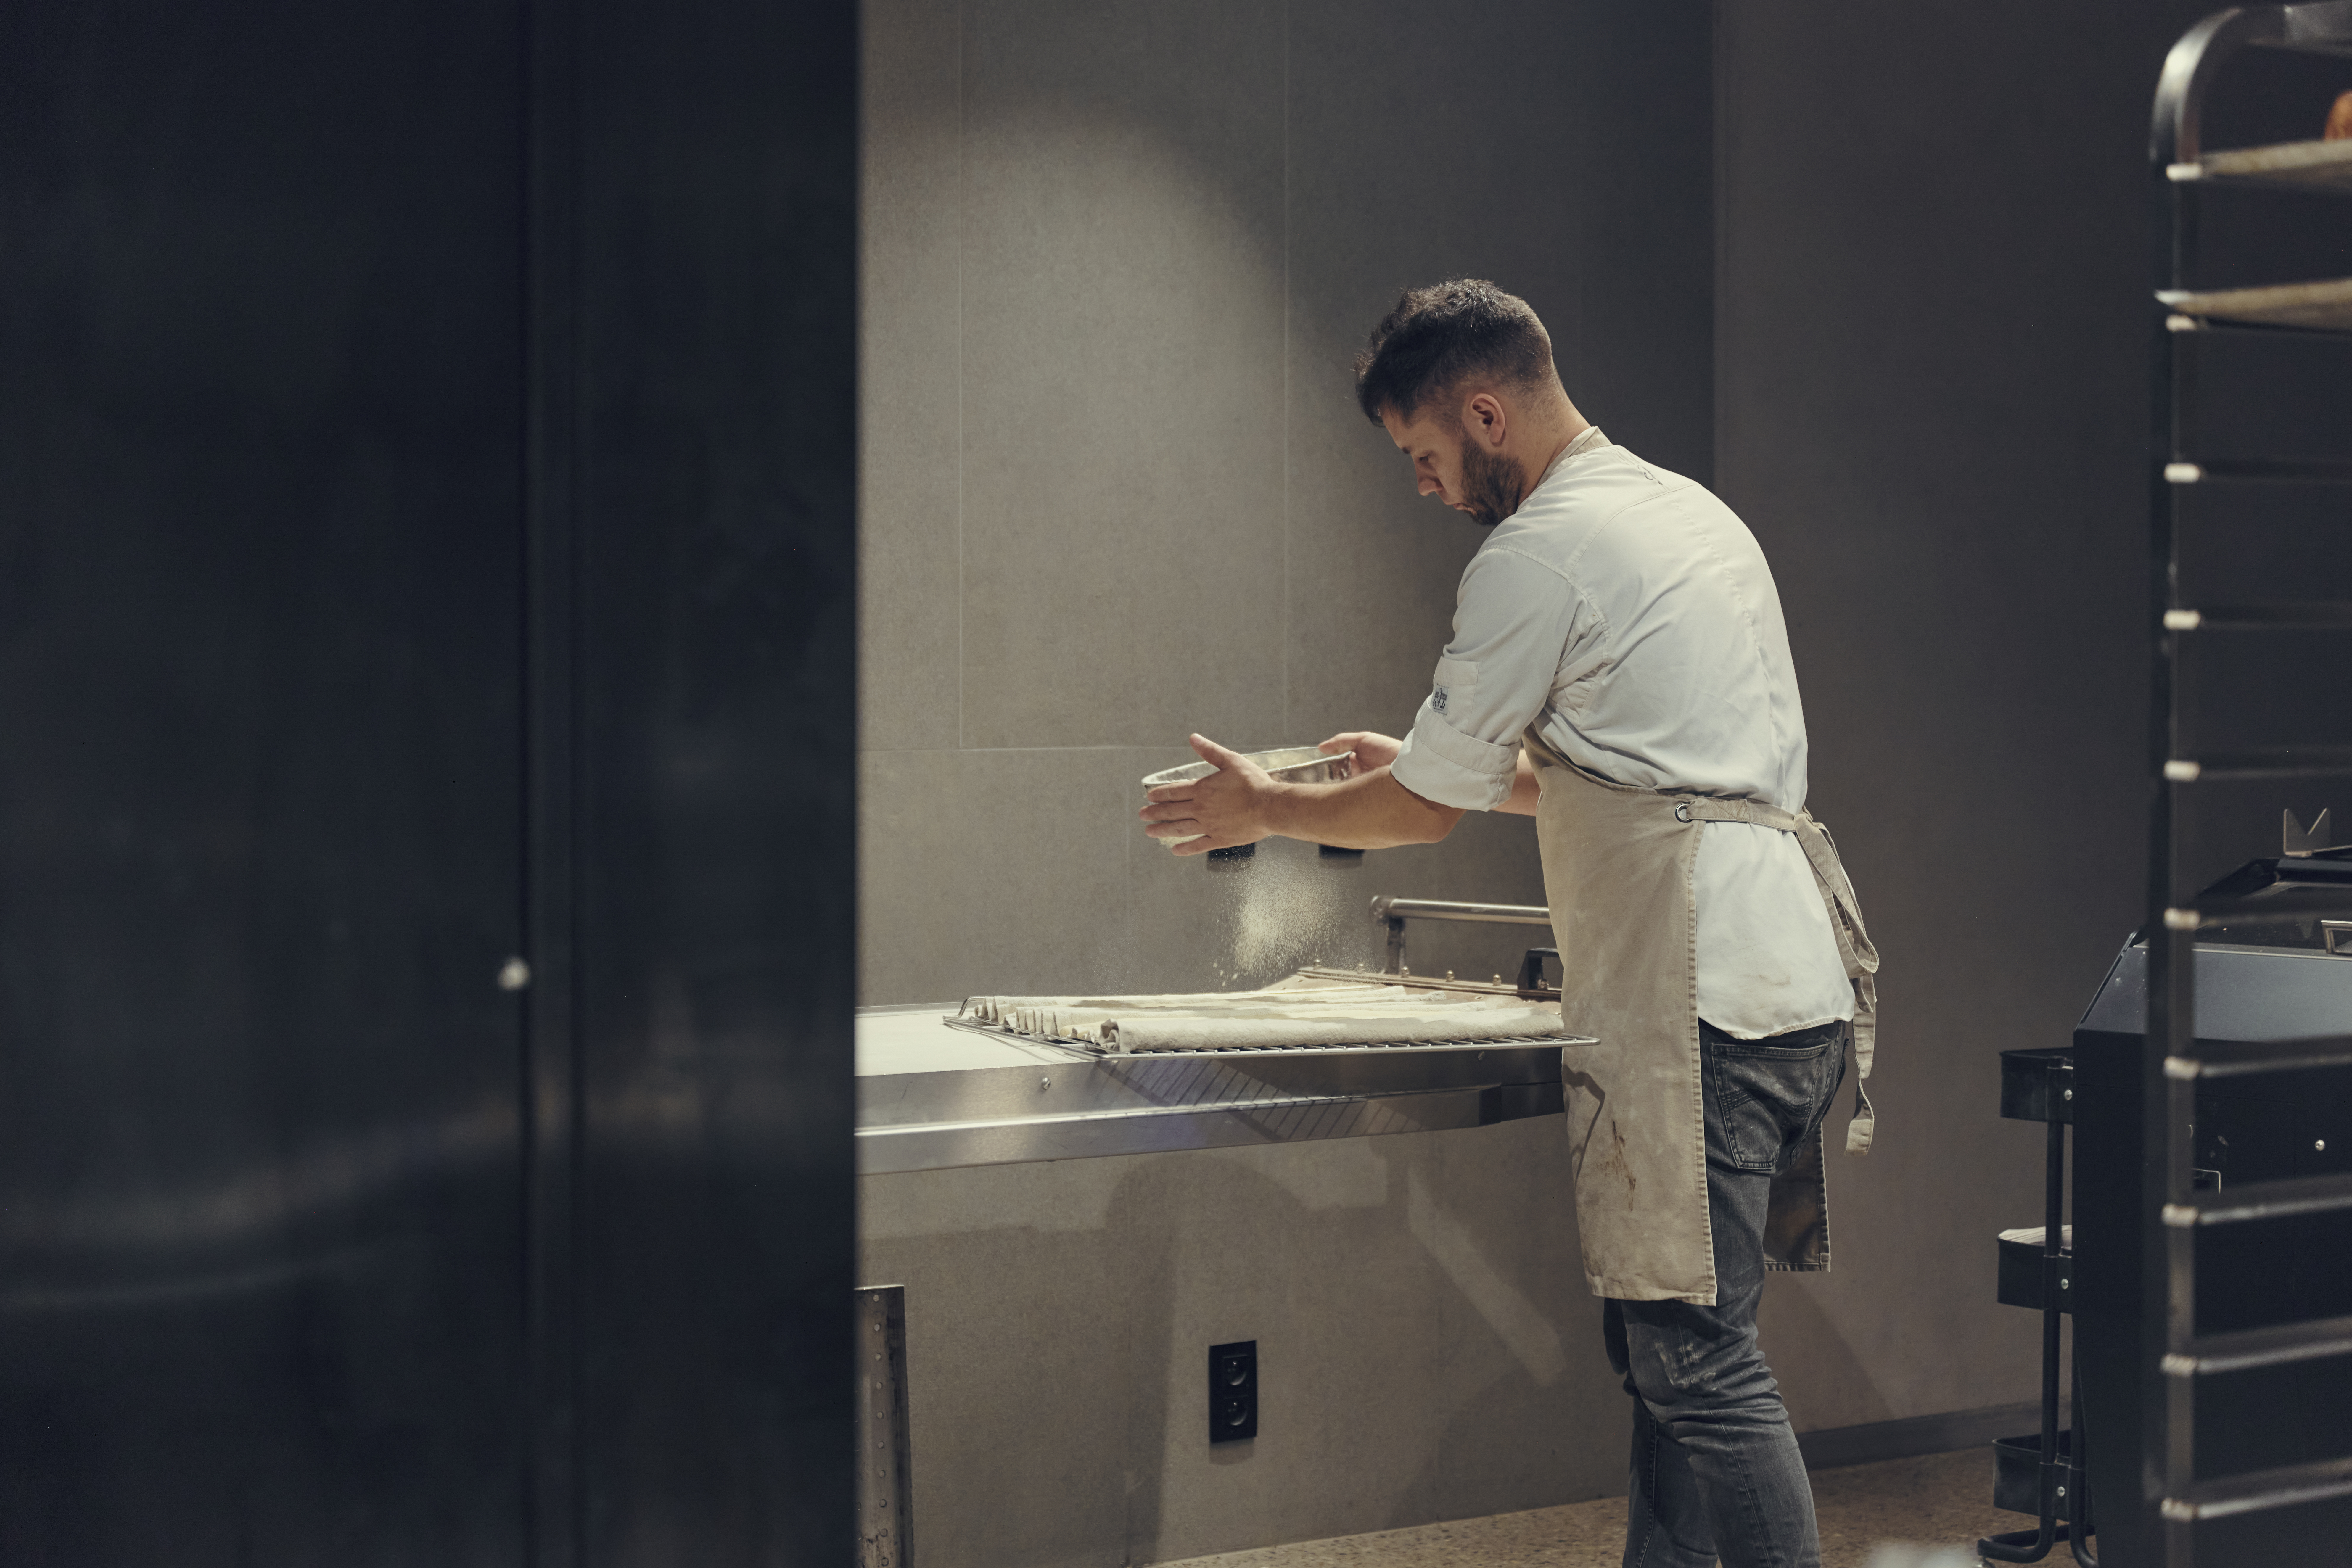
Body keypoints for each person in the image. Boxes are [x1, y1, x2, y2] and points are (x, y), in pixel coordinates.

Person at [1139, 279, 1878, 1568]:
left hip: (1696, 988)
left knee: (1696, 1364)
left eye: (1423, 456)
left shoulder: (1537, 550)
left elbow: (1423, 811)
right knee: (1667, 1351)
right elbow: (1650, 770)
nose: (1423, 486)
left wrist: (1264, 802)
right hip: (1788, 979)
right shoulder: (1688, 511)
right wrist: (1442, 763)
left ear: (1486, 411)